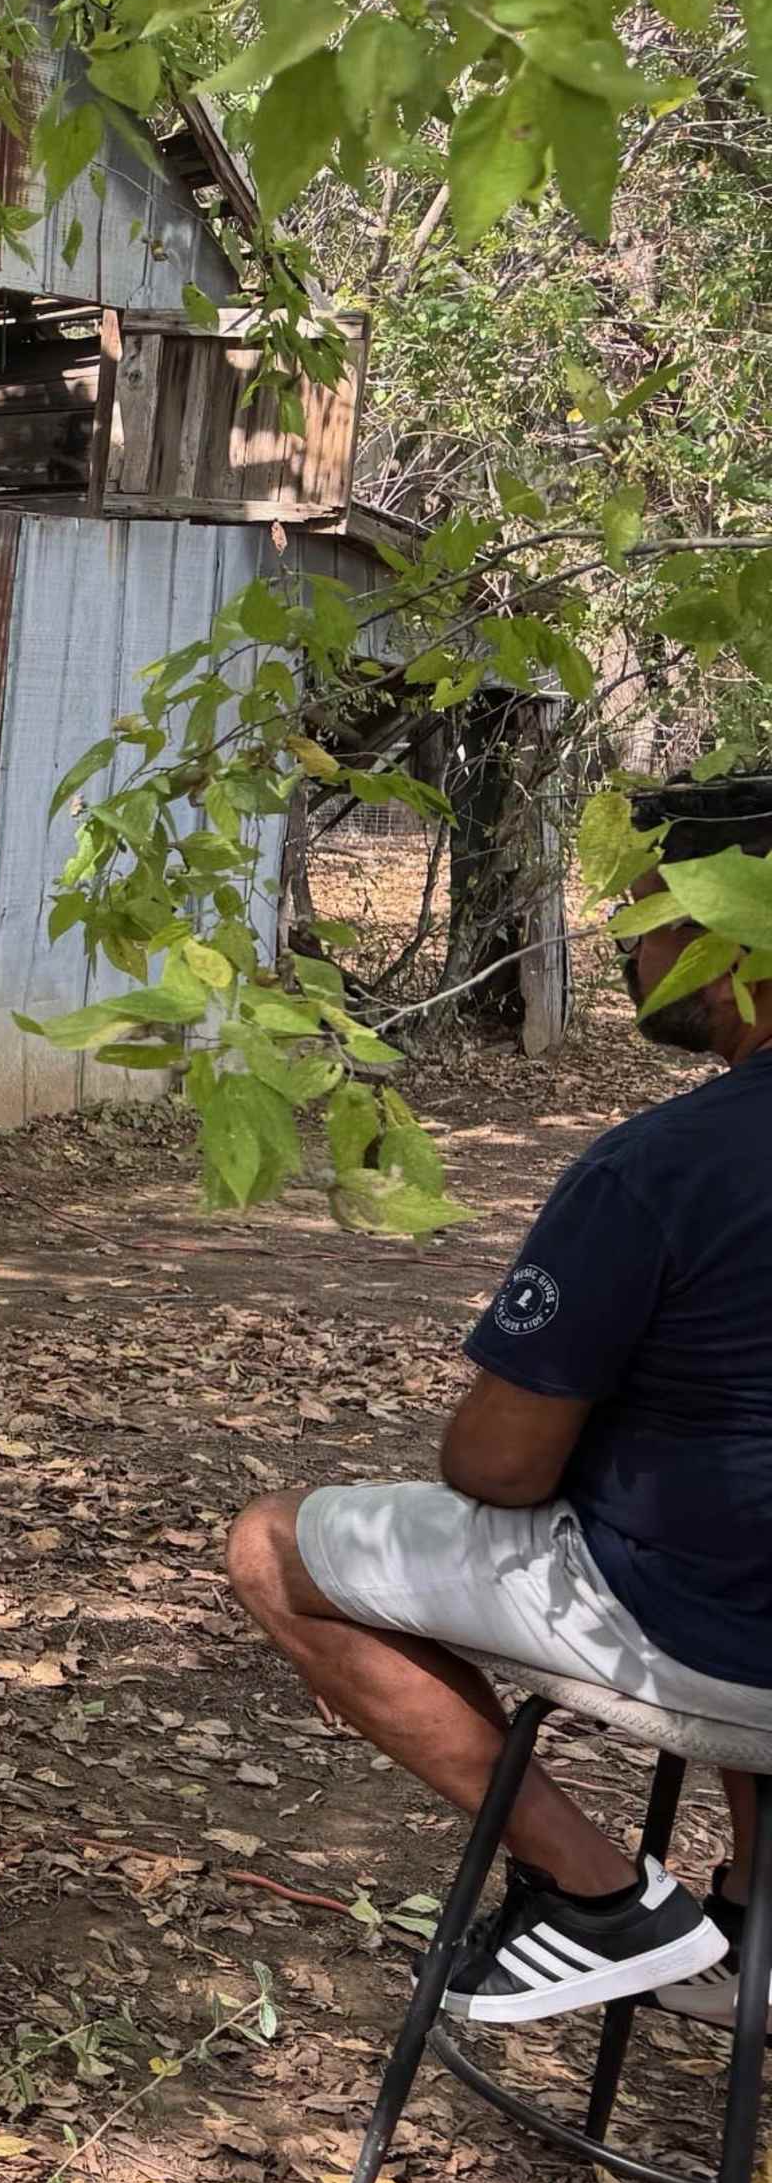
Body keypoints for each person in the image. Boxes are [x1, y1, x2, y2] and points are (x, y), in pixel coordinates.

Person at [226, 776, 772, 2028]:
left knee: (272, 1544)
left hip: (709, 1639)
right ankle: (754, 1921)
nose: (628, 950)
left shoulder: (661, 1167)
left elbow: (502, 1467)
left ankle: (598, 1897)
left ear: (731, 935)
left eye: (645, 917)